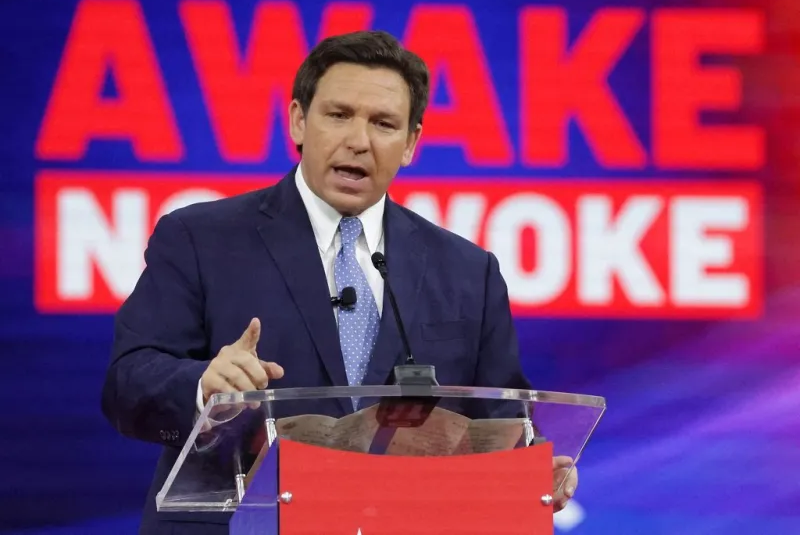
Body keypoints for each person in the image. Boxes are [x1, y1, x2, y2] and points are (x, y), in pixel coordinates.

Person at [101, 30, 578, 535]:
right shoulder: (200, 238)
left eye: (384, 123)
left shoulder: (467, 272)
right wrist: (203, 388)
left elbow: (500, 418)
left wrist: (527, 468)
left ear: (411, 142)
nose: (359, 140)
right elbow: (126, 384)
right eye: (338, 115)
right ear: (298, 121)